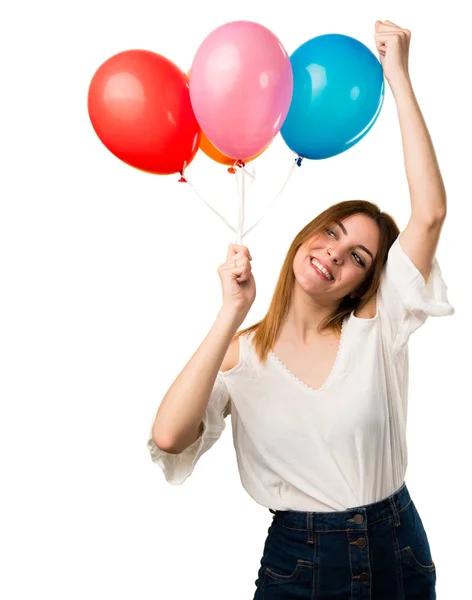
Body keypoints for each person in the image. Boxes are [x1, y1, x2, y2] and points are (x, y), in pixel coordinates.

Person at [147, 20, 454, 600]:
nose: (333, 254)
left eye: (358, 256)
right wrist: (231, 313)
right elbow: (168, 437)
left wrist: (399, 77)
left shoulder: (378, 325)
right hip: (303, 564)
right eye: (331, 233)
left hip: (397, 546)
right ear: (307, 234)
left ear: (367, 282)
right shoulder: (240, 357)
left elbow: (431, 213)